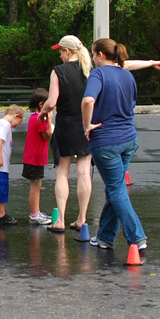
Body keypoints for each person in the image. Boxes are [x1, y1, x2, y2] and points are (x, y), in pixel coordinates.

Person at [81, 38, 160, 260]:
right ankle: (105, 237)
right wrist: (153, 62)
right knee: (114, 188)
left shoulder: (98, 75)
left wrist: (87, 125)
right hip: (129, 139)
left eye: (92, 54)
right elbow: (127, 70)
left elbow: (88, 100)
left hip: (106, 142)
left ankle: (137, 238)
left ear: (99, 55)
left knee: (116, 190)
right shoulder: (126, 75)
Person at [40, 35, 94, 234]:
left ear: (68, 51)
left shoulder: (58, 71)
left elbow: (52, 101)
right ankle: (81, 218)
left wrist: (43, 113)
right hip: (85, 124)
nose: (60, 55)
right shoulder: (90, 69)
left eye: (61, 51)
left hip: (65, 123)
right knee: (83, 172)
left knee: (62, 171)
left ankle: (61, 219)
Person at [23, 88, 53, 225]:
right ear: (42, 105)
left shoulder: (33, 117)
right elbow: (47, 136)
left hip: (34, 158)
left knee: (37, 185)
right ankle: (34, 214)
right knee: (35, 186)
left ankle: (37, 211)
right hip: (35, 159)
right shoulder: (40, 119)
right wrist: (49, 121)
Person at [0, 104, 24, 226]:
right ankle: (1, 215)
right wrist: (0, 157)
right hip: (0, 166)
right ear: (16, 116)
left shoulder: (0, 123)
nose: (16, 125)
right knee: (1, 189)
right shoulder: (5, 125)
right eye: (18, 122)